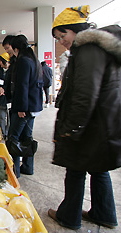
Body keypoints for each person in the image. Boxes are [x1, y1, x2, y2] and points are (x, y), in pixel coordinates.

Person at [48, 5, 121, 230]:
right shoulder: (97, 48)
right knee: (99, 170)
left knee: (75, 170)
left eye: (63, 35)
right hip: (101, 123)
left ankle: (69, 216)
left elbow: (85, 94)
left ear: (76, 30)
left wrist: (71, 129)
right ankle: (103, 213)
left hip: (90, 125)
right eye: (58, 38)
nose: (61, 41)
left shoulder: (87, 49)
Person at [7, 34, 43, 178]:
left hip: (24, 107)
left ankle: (15, 171)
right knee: (26, 138)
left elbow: (22, 86)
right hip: (34, 106)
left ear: (16, 48)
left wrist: (21, 108)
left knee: (13, 139)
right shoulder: (34, 60)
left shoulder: (23, 60)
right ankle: (28, 167)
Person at [0, 52, 11, 139]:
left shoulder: (12, 70)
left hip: (10, 99)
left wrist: (6, 89)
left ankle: (9, 133)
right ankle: (3, 133)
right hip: (1, 98)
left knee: (10, 117)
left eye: (1, 61)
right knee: (2, 117)